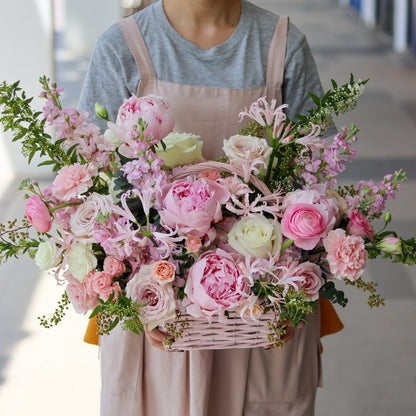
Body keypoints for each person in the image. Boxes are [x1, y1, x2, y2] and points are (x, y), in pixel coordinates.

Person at [79, 1, 343, 415]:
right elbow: (91, 190)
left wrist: (289, 293)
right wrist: (140, 301)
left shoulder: (281, 44)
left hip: (261, 319)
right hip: (159, 327)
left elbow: (317, 181)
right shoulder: (123, 46)